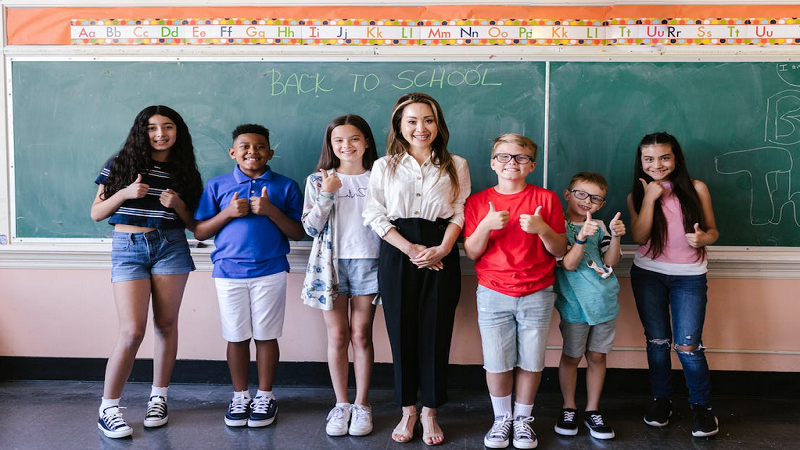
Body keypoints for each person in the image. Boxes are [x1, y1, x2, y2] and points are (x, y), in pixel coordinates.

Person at [363, 92, 470, 446]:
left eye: (428, 120)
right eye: (412, 121)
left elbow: (460, 211)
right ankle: (408, 410)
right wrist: (409, 248)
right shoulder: (383, 166)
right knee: (401, 331)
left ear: (438, 124)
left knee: (436, 332)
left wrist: (441, 247)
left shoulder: (457, 163)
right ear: (399, 126)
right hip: (398, 250)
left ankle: (431, 412)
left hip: (442, 250)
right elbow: (374, 214)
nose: (420, 128)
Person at [90, 105, 203, 439]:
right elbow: (97, 212)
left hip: (170, 245)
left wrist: (179, 205)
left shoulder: (185, 172)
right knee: (132, 331)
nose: (160, 134)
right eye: (152, 128)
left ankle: (159, 398)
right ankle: (108, 408)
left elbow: (195, 226)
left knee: (166, 326)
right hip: (128, 247)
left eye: (168, 127)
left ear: (178, 131)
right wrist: (125, 193)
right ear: (141, 131)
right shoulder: (119, 164)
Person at [194, 124, 304, 428]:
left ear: (270, 152)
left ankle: (265, 395)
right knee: (236, 335)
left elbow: (299, 231)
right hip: (228, 272)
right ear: (233, 152)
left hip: (270, 270)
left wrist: (270, 211)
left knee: (266, 335)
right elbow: (201, 231)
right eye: (244, 146)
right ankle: (240, 395)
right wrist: (228, 213)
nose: (252, 152)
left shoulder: (285, 186)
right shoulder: (218, 185)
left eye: (259, 147)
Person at [463, 133, 567, 450]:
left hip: (537, 291)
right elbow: (471, 252)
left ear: (532, 165)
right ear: (493, 163)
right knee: (496, 361)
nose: (512, 163)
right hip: (493, 291)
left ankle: (522, 420)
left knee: (532, 361)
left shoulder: (546, 199)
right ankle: (501, 419)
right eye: (505, 157)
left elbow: (560, 248)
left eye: (521, 158)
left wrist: (542, 229)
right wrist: (486, 225)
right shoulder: (478, 202)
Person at [627, 131, 720, 438]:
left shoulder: (696, 188)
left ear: (676, 159)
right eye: (649, 159)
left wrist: (703, 238)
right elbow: (639, 237)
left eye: (664, 157)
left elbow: (712, 231)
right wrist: (651, 198)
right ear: (641, 162)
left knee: (688, 345)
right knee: (657, 341)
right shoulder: (637, 194)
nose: (657, 164)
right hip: (648, 274)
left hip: (689, 277)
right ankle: (661, 401)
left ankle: (701, 407)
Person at [301, 115, 381, 437]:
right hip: (329, 265)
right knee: (337, 336)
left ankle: (362, 405)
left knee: (361, 335)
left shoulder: (379, 177)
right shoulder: (319, 179)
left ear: (366, 142)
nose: (346, 146)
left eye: (354, 139)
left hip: (369, 262)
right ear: (331, 145)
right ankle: (341, 404)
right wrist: (327, 193)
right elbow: (310, 227)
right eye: (339, 141)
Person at [552, 172, 626, 440]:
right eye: (581, 194)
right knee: (572, 357)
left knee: (597, 356)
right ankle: (569, 407)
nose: (587, 201)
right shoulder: (557, 226)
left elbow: (611, 261)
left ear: (602, 204)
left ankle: (593, 409)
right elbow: (568, 264)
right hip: (574, 304)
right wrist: (581, 237)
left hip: (603, 302)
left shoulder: (601, 226)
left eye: (595, 198)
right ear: (568, 194)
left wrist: (616, 236)